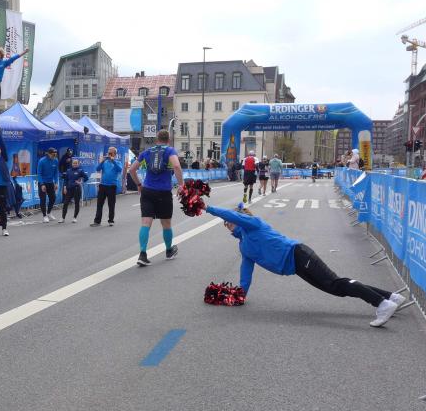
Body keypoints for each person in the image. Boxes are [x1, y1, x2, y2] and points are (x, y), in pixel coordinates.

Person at [206, 203, 404, 327]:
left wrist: (208, 208)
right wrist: (240, 294)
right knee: (335, 286)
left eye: (228, 222)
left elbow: (233, 215)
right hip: (297, 267)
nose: (227, 225)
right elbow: (246, 273)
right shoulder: (244, 246)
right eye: (225, 224)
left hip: (299, 254)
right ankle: (391, 297)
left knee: (335, 284)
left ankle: (381, 304)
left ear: (238, 219)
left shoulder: (253, 224)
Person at [128, 129, 184, 266]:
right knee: (166, 224)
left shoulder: (147, 152)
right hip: (163, 192)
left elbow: (132, 170)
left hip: (147, 191)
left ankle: (142, 254)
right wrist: (181, 185)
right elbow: (176, 166)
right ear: (168, 140)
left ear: (156, 139)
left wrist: (139, 184)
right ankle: (169, 251)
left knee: (145, 223)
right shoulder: (170, 151)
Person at [91, 147, 123, 227]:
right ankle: (97, 221)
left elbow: (119, 170)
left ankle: (111, 220)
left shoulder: (118, 162)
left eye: (110, 153)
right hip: (103, 185)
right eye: (108, 153)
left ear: (114, 154)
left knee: (111, 204)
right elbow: (97, 169)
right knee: (99, 204)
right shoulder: (105, 162)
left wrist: (113, 161)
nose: (109, 154)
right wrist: (102, 161)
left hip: (112, 186)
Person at [59, 159, 89, 223]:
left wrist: (81, 182)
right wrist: (64, 188)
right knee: (65, 203)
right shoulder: (68, 170)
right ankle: (62, 218)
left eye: (76, 163)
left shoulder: (80, 171)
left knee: (77, 203)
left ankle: (74, 218)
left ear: (78, 164)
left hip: (77, 189)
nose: (75, 164)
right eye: (73, 163)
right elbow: (66, 180)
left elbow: (86, 178)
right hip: (69, 189)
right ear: (72, 164)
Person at [37, 147, 59, 222]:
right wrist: (42, 184)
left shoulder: (56, 160)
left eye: (55, 154)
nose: (54, 155)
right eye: (53, 154)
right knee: (43, 199)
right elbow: (39, 173)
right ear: (48, 154)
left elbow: (56, 173)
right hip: (42, 182)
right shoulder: (42, 161)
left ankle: (49, 213)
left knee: (53, 198)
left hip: (50, 182)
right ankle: (44, 216)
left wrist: (56, 182)